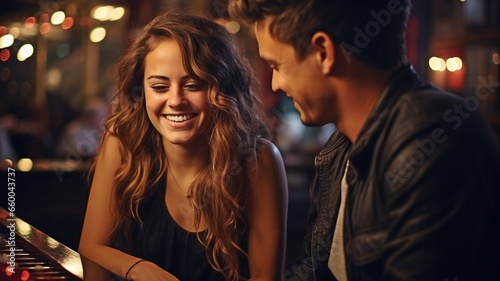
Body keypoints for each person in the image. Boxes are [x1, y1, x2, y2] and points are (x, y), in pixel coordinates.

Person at [228, 0, 500, 280]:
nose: (275, 84)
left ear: (324, 52)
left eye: (277, 65)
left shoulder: (433, 140)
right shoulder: (339, 150)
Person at [78, 11, 288, 281]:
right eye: (159, 87)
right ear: (141, 91)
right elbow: (91, 247)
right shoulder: (123, 143)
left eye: (193, 84)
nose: (175, 100)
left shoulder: (257, 160)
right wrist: (138, 268)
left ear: (221, 89)